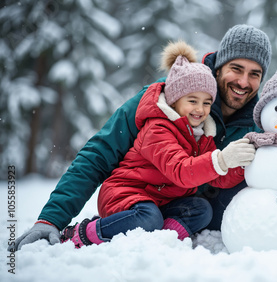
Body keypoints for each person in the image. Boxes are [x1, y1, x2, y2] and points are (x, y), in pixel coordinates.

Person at [12, 24, 272, 250]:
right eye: (236, 69)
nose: (243, 81)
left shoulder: (262, 120)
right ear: (218, 66)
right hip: (135, 197)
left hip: (184, 212)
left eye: (254, 74)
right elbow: (99, 154)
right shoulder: (165, 100)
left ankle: (161, 236)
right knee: (147, 215)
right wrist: (50, 219)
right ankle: (89, 233)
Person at [58, 41, 256, 247]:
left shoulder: (202, 135)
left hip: (160, 202)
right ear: (174, 100)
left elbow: (217, 178)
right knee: (148, 217)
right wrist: (223, 159)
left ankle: (162, 239)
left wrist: (243, 164)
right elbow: (180, 170)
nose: (200, 109)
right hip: (126, 194)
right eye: (192, 100)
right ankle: (84, 233)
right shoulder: (158, 129)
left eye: (207, 103)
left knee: (202, 209)